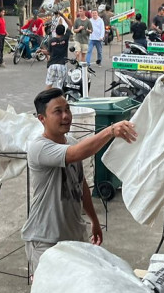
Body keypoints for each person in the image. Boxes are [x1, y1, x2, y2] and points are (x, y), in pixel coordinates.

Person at [22, 88, 137, 275]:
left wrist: (94, 220)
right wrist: (110, 131)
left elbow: (80, 184)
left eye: (67, 109)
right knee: (54, 292)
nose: (66, 116)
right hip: (45, 240)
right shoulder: (39, 148)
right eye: (58, 111)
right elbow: (75, 154)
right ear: (42, 118)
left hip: (74, 236)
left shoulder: (72, 141)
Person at [45, 24, 69, 90]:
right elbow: (70, 25)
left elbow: (48, 52)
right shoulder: (65, 38)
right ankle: (60, 96)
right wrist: (64, 17)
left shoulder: (51, 40)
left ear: (55, 31)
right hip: (62, 65)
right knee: (60, 86)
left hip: (52, 65)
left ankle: (46, 95)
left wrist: (41, 51)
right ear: (64, 32)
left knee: (49, 83)